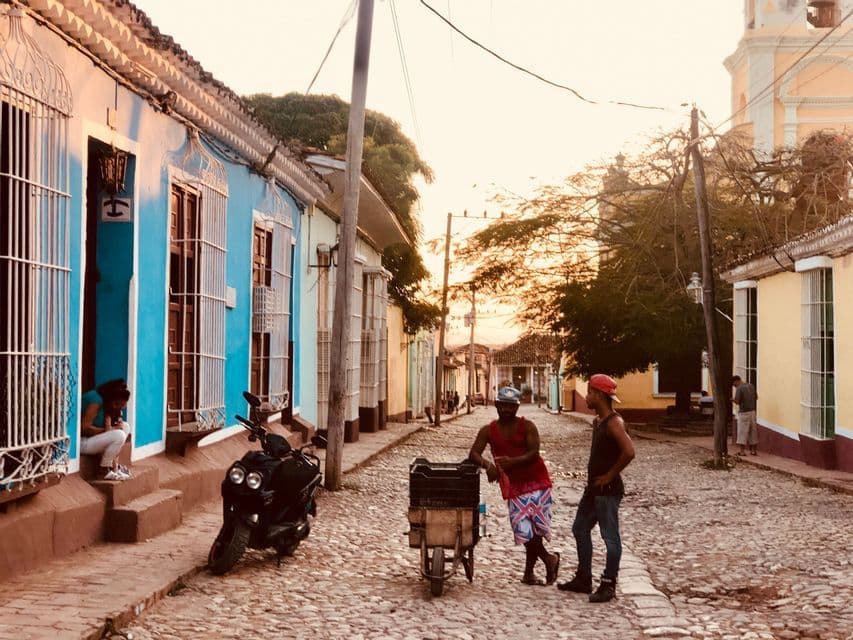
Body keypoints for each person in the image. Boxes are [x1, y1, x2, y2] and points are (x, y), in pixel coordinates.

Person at [468, 386, 560, 586]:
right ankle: (548, 559)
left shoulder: (528, 426)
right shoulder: (488, 430)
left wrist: (512, 462)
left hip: (537, 482)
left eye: (511, 406)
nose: (507, 410)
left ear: (517, 407)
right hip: (514, 486)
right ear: (497, 405)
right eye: (503, 405)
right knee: (523, 528)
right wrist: (488, 465)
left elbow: (534, 453)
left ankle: (531, 572)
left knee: (534, 529)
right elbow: (473, 453)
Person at [559, 373, 635, 603]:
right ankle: (584, 578)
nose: (587, 396)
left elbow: (629, 452)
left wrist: (609, 475)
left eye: (590, 392)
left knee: (610, 537)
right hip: (593, 489)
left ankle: (609, 583)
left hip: (607, 491)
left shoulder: (614, 423)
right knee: (580, 528)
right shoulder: (598, 422)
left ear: (599, 395)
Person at [80, 379, 132, 481]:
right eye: (117, 404)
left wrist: (114, 425)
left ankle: (113, 467)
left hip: (93, 441)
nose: (118, 408)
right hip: (81, 443)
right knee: (119, 435)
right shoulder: (95, 401)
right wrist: (109, 431)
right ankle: (103, 470)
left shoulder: (106, 403)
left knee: (125, 427)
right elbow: (84, 428)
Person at [732, 375, 758, 455]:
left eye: (734, 384)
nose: (734, 386)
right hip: (753, 411)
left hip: (743, 412)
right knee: (753, 432)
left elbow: (737, 401)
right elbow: (756, 397)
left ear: (736, 381)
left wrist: (732, 399)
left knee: (742, 432)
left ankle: (742, 451)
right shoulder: (751, 386)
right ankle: (753, 451)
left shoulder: (739, 388)